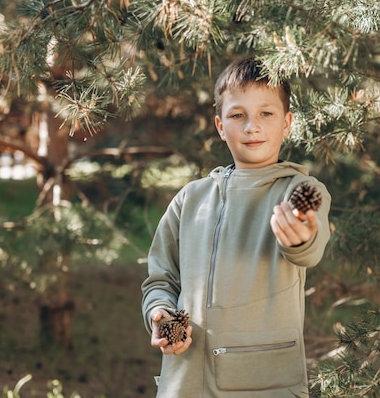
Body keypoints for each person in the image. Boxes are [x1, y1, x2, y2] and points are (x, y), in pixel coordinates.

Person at [141, 56, 332, 397]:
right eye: (237, 115)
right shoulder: (190, 198)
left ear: (287, 122)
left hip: (264, 382)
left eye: (266, 114)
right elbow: (160, 278)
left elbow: (310, 246)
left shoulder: (300, 191)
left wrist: (301, 238)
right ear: (219, 125)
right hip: (184, 380)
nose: (251, 126)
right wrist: (159, 314)